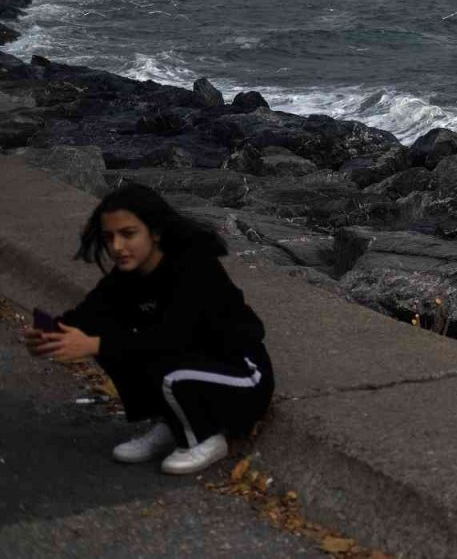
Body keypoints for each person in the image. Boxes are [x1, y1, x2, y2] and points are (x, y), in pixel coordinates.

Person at [22, 183, 274, 475]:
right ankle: (173, 423)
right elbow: (88, 316)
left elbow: (174, 339)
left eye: (128, 234)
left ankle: (204, 437)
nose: (117, 247)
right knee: (108, 337)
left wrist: (95, 345)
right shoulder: (127, 276)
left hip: (243, 376)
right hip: (192, 367)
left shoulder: (194, 267)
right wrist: (51, 335)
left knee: (157, 366)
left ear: (155, 231)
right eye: (109, 237)